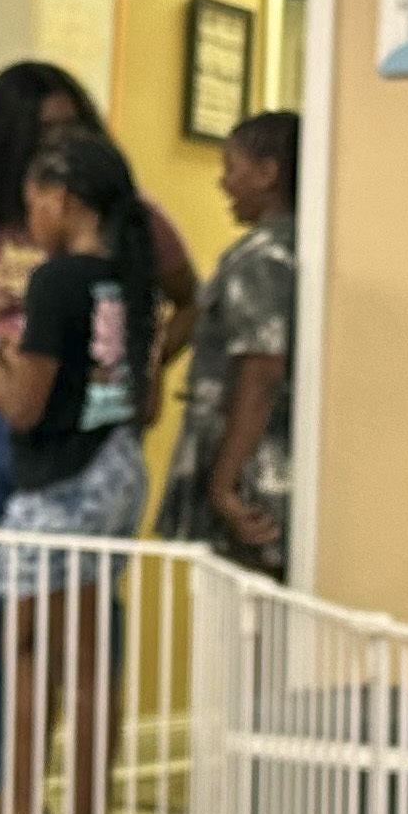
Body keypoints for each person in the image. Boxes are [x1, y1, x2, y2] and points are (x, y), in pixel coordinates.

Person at [0, 127, 157, 814]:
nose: (28, 214)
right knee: (89, 662)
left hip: (56, 481)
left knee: (29, 653)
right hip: (113, 470)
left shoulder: (59, 280)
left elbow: (22, 406)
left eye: (34, 198)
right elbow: (142, 390)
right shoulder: (127, 274)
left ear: (60, 196)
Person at [0, 61, 198, 520]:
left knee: (59, 571)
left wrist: (130, 362)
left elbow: (191, 301)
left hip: (81, 419)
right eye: (42, 130)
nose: (58, 140)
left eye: (69, 125)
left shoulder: (127, 224)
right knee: (16, 567)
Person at [157, 110, 296, 577]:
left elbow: (262, 370)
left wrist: (223, 485)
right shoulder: (302, 245)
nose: (223, 183)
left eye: (231, 167)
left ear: (267, 172)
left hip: (255, 474)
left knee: (245, 626)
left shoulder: (259, 259)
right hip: (274, 463)